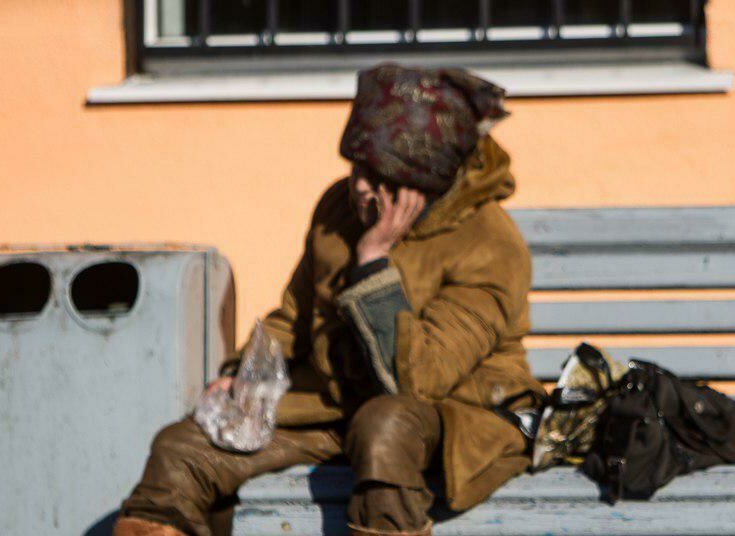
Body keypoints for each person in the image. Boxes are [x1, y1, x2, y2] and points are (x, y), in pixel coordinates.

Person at [112, 63, 545, 536]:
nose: (359, 186)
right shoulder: (339, 210)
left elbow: (421, 381)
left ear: (424, 179)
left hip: (451, 415)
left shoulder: (490, 243)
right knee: (180, 450)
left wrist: (374, 263)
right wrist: (243, 375)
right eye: (357, 167)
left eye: (379, 175)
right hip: (333, 409)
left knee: (384, 429)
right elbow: (294, 317)